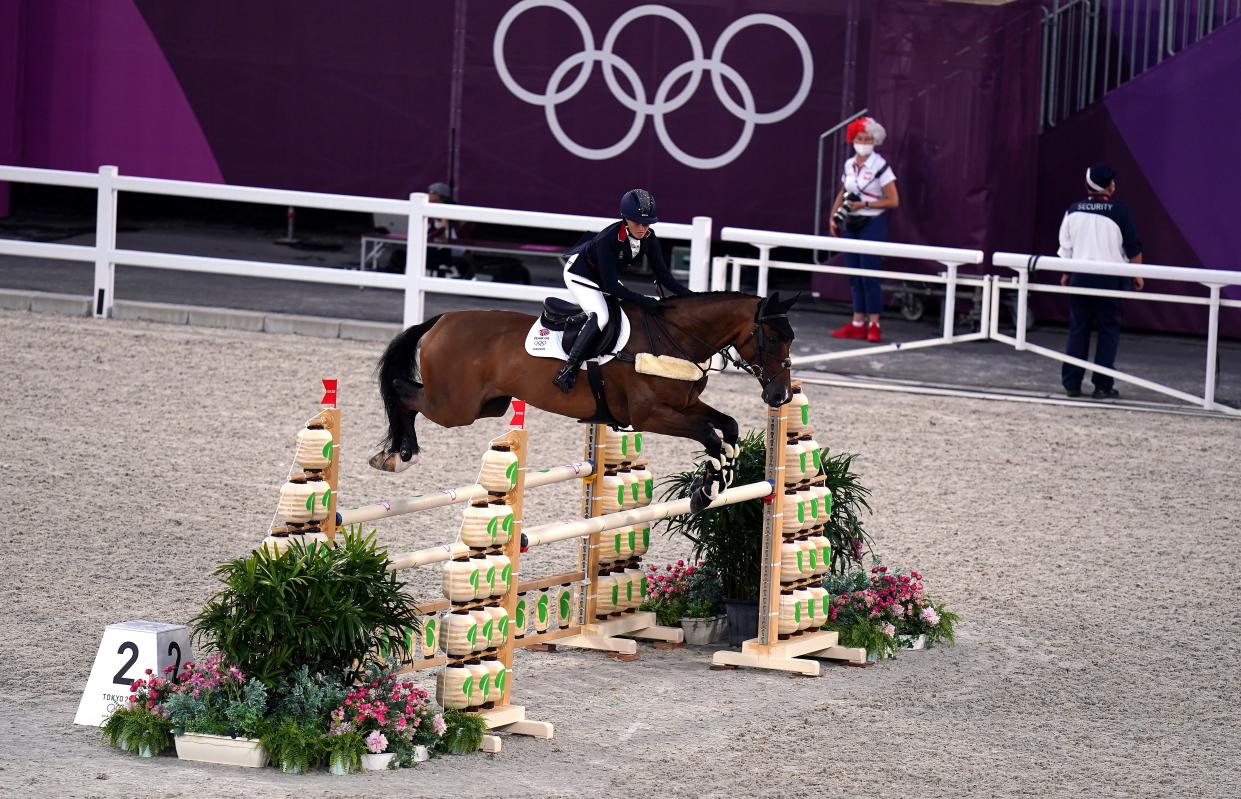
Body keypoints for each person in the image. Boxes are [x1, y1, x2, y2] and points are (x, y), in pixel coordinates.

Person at [552, 188, 691, 392]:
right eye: (638, 223)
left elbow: (663, 276)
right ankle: (568, 370)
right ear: (625, 219)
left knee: (629, 312)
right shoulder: (607, 240)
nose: (643, 228)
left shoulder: (649, 238)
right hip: (580, 274)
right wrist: (645, 300)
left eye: (648, 223)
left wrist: (691, 297)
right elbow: (610, 286)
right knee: (601, 316)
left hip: (604, 276)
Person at [1057, 163, 1143, 399]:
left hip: (1080, 278)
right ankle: (1102, 385)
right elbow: (1134, 248)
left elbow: (1066, 249)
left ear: (1087, 186)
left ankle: (1072, 383)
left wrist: (1066, 274)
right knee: (1108, 332)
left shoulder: (1073, 211)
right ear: (1110, 187)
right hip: (1110, 282)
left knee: (1078, 330)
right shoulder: (1120, 212)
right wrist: (1138, 275)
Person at [828, 116, 900, 343]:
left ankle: (875, 323)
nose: (864, 142)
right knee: (854, 274)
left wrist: (865, 204)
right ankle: (857, 321)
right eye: (860, 138)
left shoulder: (880, 165)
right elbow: (844, 190)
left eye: (868, 138)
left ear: (875, 141)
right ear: (853, 139)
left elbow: (893, 200)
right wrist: (833, 215)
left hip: (872, 223)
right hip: (851, 222)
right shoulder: (849, 164)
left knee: (869, 275)